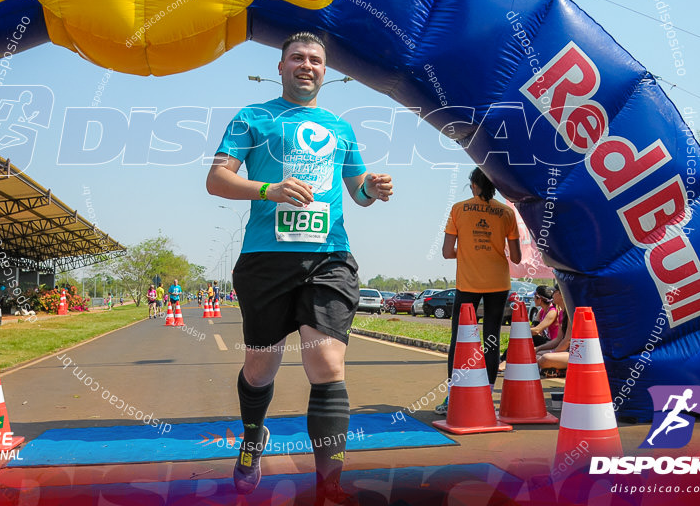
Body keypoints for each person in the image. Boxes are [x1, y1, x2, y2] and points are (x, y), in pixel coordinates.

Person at [207, 31, 393, 503]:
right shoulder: (253, 117)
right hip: (265, 260)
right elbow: (217, 180)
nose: (306, 65)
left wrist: (374, 186)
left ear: (325, 71)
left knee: (327, 362)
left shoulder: (340, 127)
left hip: (329, 256)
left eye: (315, 60)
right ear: (281, 67)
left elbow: (359, 194)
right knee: (259, 367)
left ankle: (329, 486)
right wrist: (268, 189)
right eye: (297, 58)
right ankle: (253, 436)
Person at [437, 167, 521, 416]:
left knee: (459, 340)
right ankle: (488, 395)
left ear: (473, 184)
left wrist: (466, 253)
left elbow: (446, 252)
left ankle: (453, 397)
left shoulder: (458, 209)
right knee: (491, 338)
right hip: (498, 283)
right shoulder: (506, 212)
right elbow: (516, 257)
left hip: (468, 284)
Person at [536, 285, 572, 375]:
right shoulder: (561, 313)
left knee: (544, 359)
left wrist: (553, 353)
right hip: (564, 351)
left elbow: (567, 340)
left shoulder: (571, 313)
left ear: (562, 294)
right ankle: (556, 369)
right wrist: (538, 348)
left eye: (555, 292)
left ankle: (558, 369)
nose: (552, 294)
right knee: (536, 355)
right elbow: (558, 339)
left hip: (574, 353)